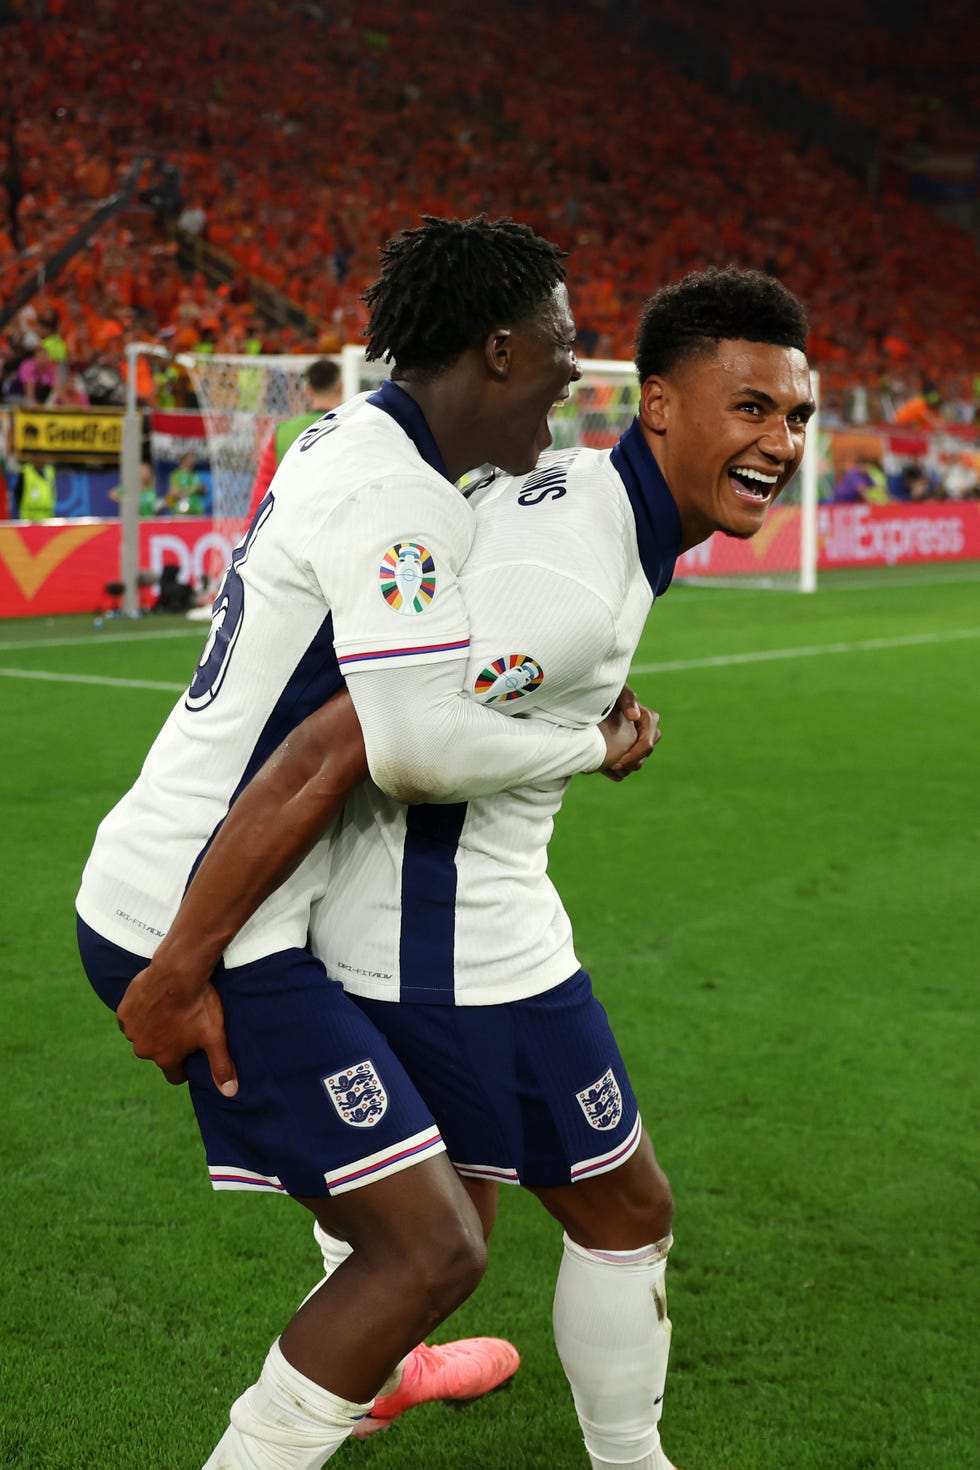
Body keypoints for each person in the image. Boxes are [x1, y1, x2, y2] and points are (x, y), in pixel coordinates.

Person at [106, 265, 815, 1466]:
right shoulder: (567, 576)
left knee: (443, 1233)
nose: (779, 440)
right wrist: (586, 740)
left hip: (428, 915)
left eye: (793, 413)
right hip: (450, 936)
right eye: (746, 407)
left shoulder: (592, 508)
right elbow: (353, 742)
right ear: (653, 406)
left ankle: (382, 1368)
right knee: (606, 1213)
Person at [247, 358, 344, 516]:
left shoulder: (283, 431)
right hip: (337, 523)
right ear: (341, 387)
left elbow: (263, 489)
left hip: (292, 524)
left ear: (307, 390)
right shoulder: (352, 427)